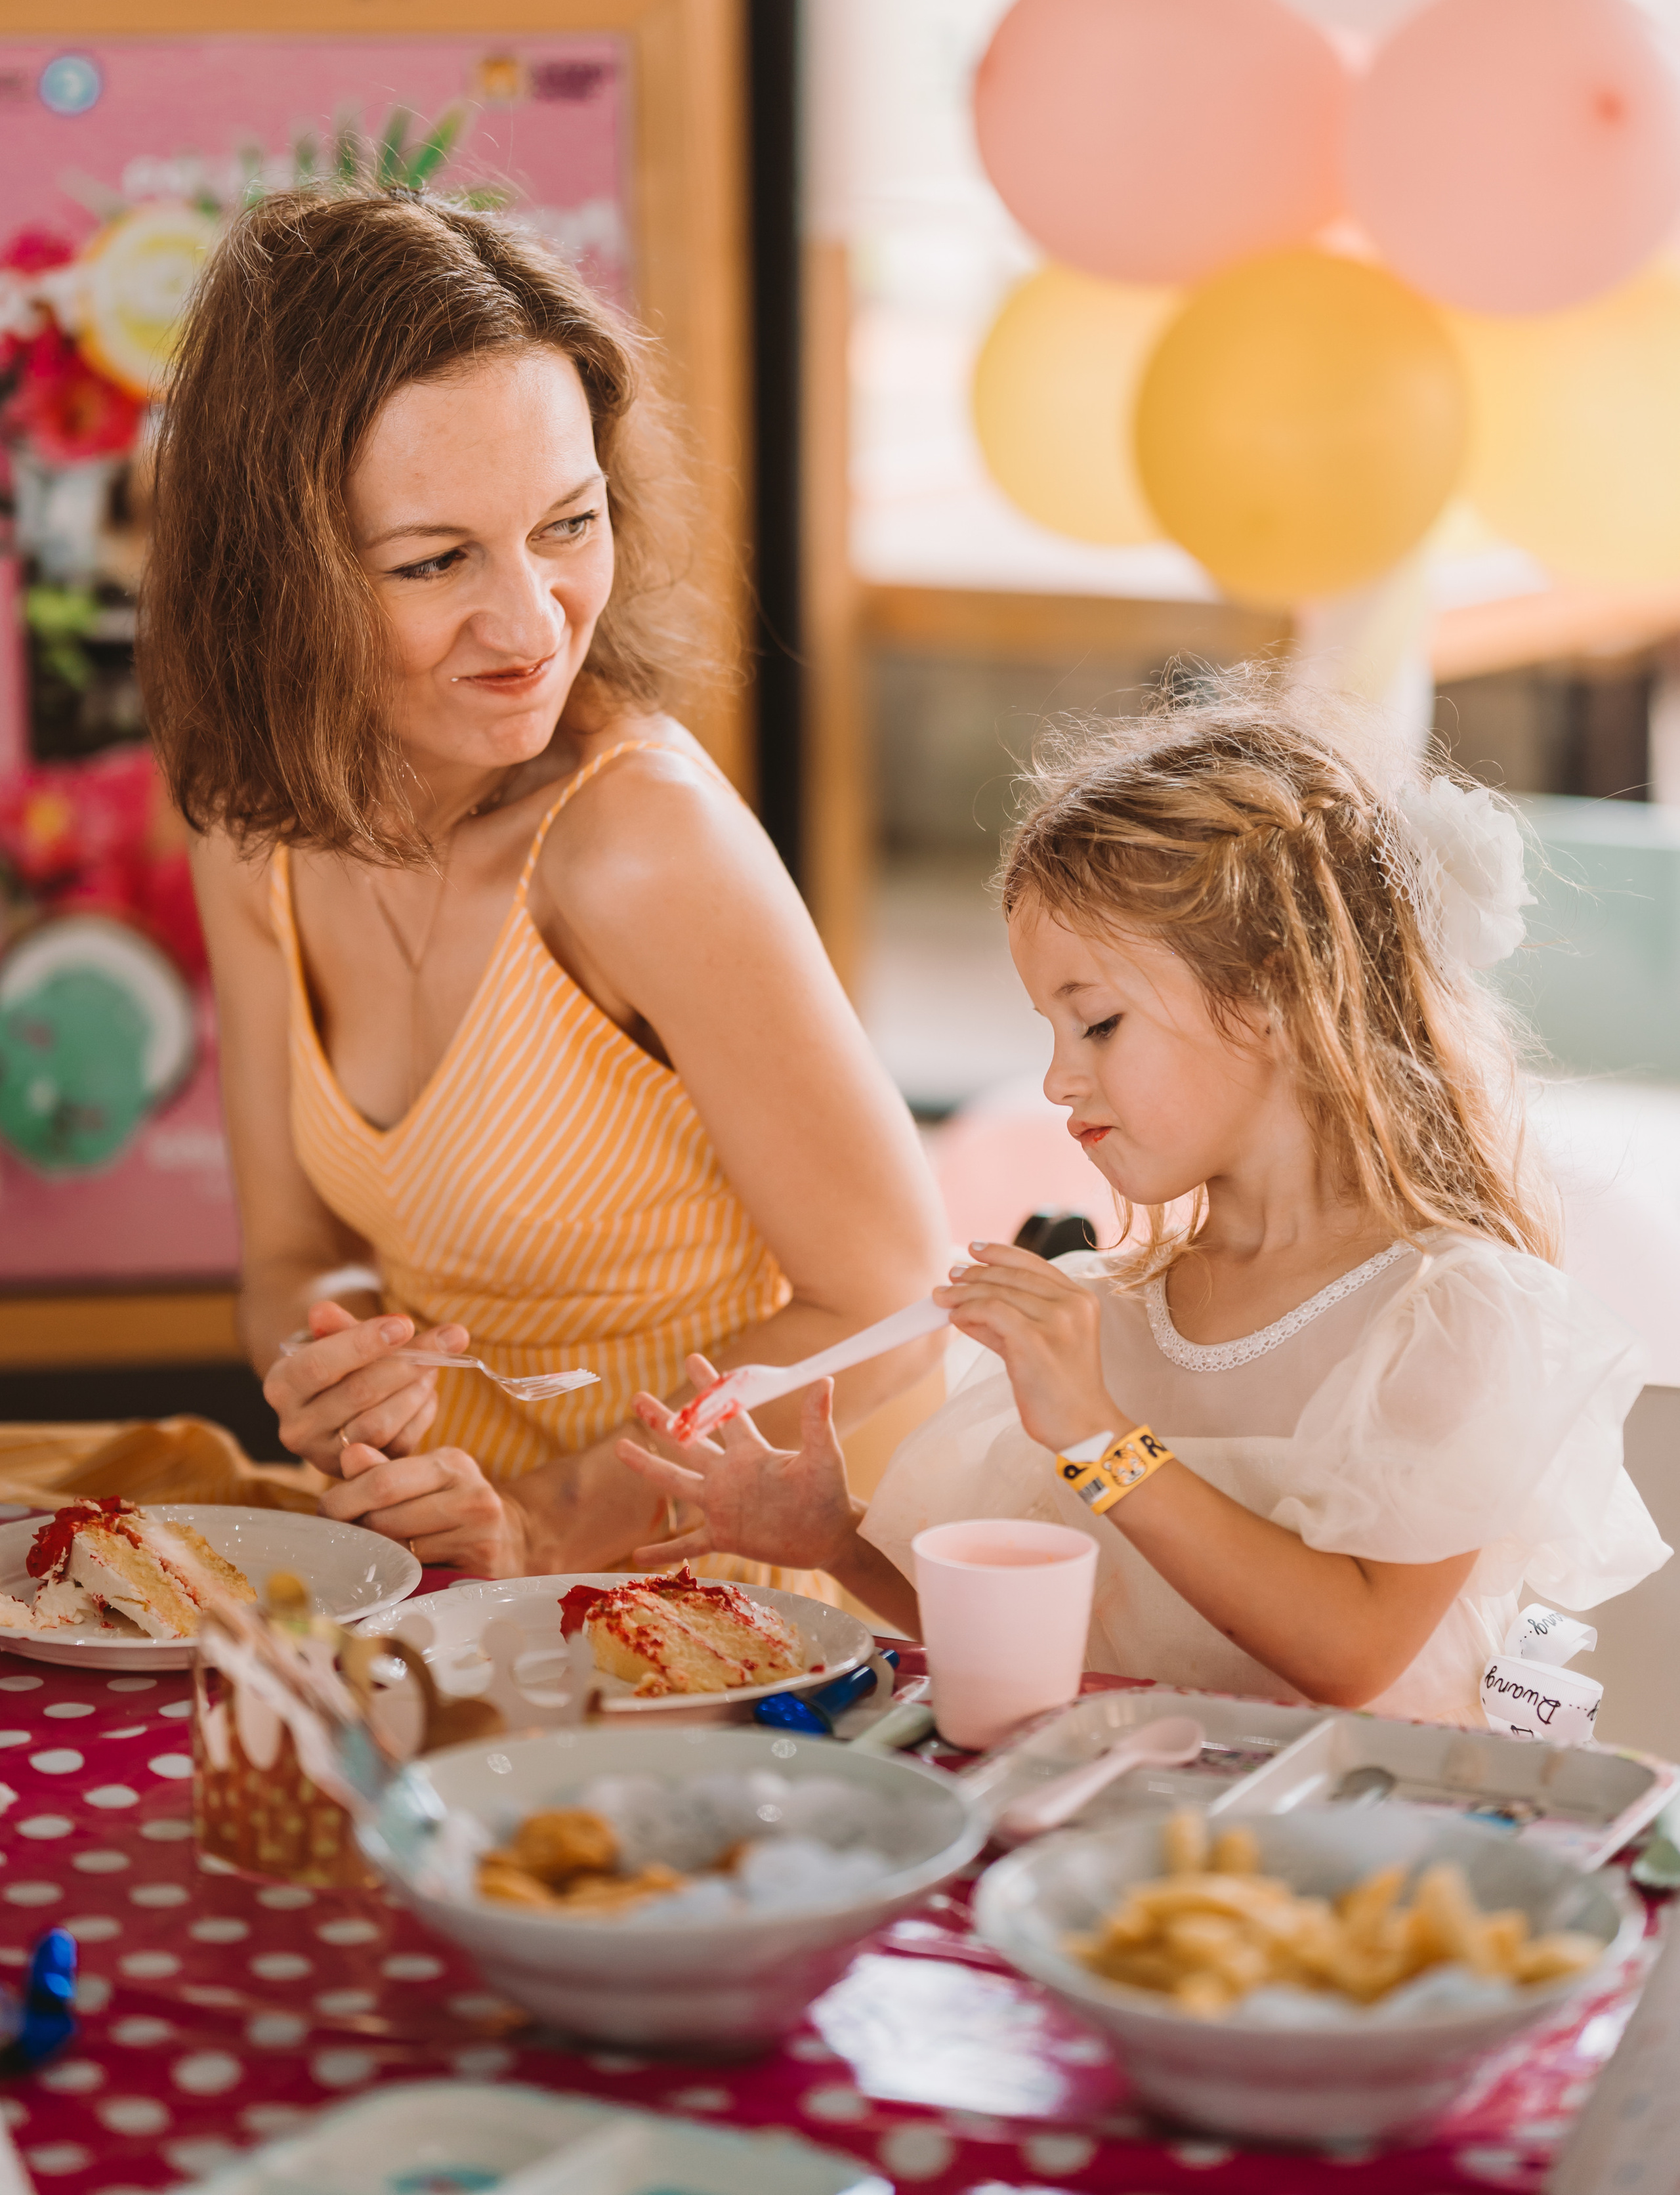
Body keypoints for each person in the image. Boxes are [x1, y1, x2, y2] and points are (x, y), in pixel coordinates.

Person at [138, 184, 947, 1579]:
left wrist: (551, 1517)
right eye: (434, 561)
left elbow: (891, 1310)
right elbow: (291, 1259)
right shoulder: (250, 830)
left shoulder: (641, 848)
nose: (529, 625)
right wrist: (336, 1362)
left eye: (569, 525)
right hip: (454, 1579)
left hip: (735, 1597)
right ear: (278, 580)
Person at [619, 681, 1670, 1724]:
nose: (1056, 1080)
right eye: (1050, 1031)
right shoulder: (1111, 1316)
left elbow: (1349, 1656)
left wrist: (1100, 1437)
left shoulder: (1453, 1311)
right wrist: (834, 1541)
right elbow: (1040, 1629)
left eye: (1099, 1024)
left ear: (1271, 995)